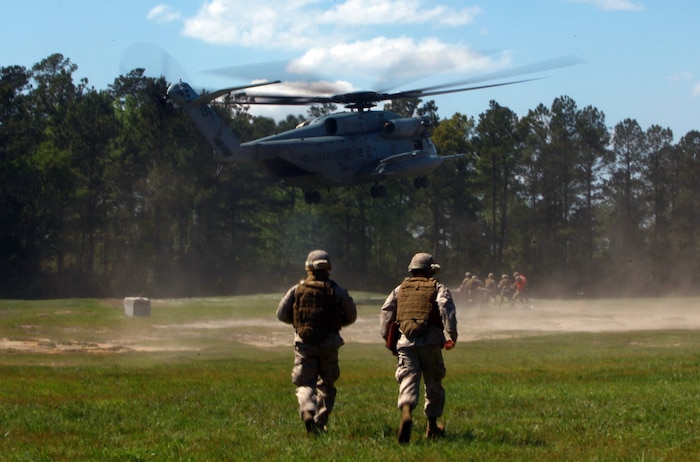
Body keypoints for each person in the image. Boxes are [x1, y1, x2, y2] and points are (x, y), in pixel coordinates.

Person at [380, 252, 458, 444]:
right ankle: (432, 426)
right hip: (430, 342)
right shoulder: (438, 287)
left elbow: (386, 312)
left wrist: (388, 339)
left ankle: (406, 411)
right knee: (433, 382)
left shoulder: (399, 289)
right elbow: (445, 308)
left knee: (407, 379)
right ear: (430, 270)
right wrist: (452, 334)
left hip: (405, 342)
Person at [277, 249, 357, 435]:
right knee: (327, 385)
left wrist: (299, 323)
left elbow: (281, 314)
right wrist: (336, 325)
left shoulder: (297, 289)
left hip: (304, 343)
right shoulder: (336, 289)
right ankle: (320, 421)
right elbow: (351, 314)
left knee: (305, 383)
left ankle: (307, 410)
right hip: (329, 342)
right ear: (328, 267)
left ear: (308, 267)